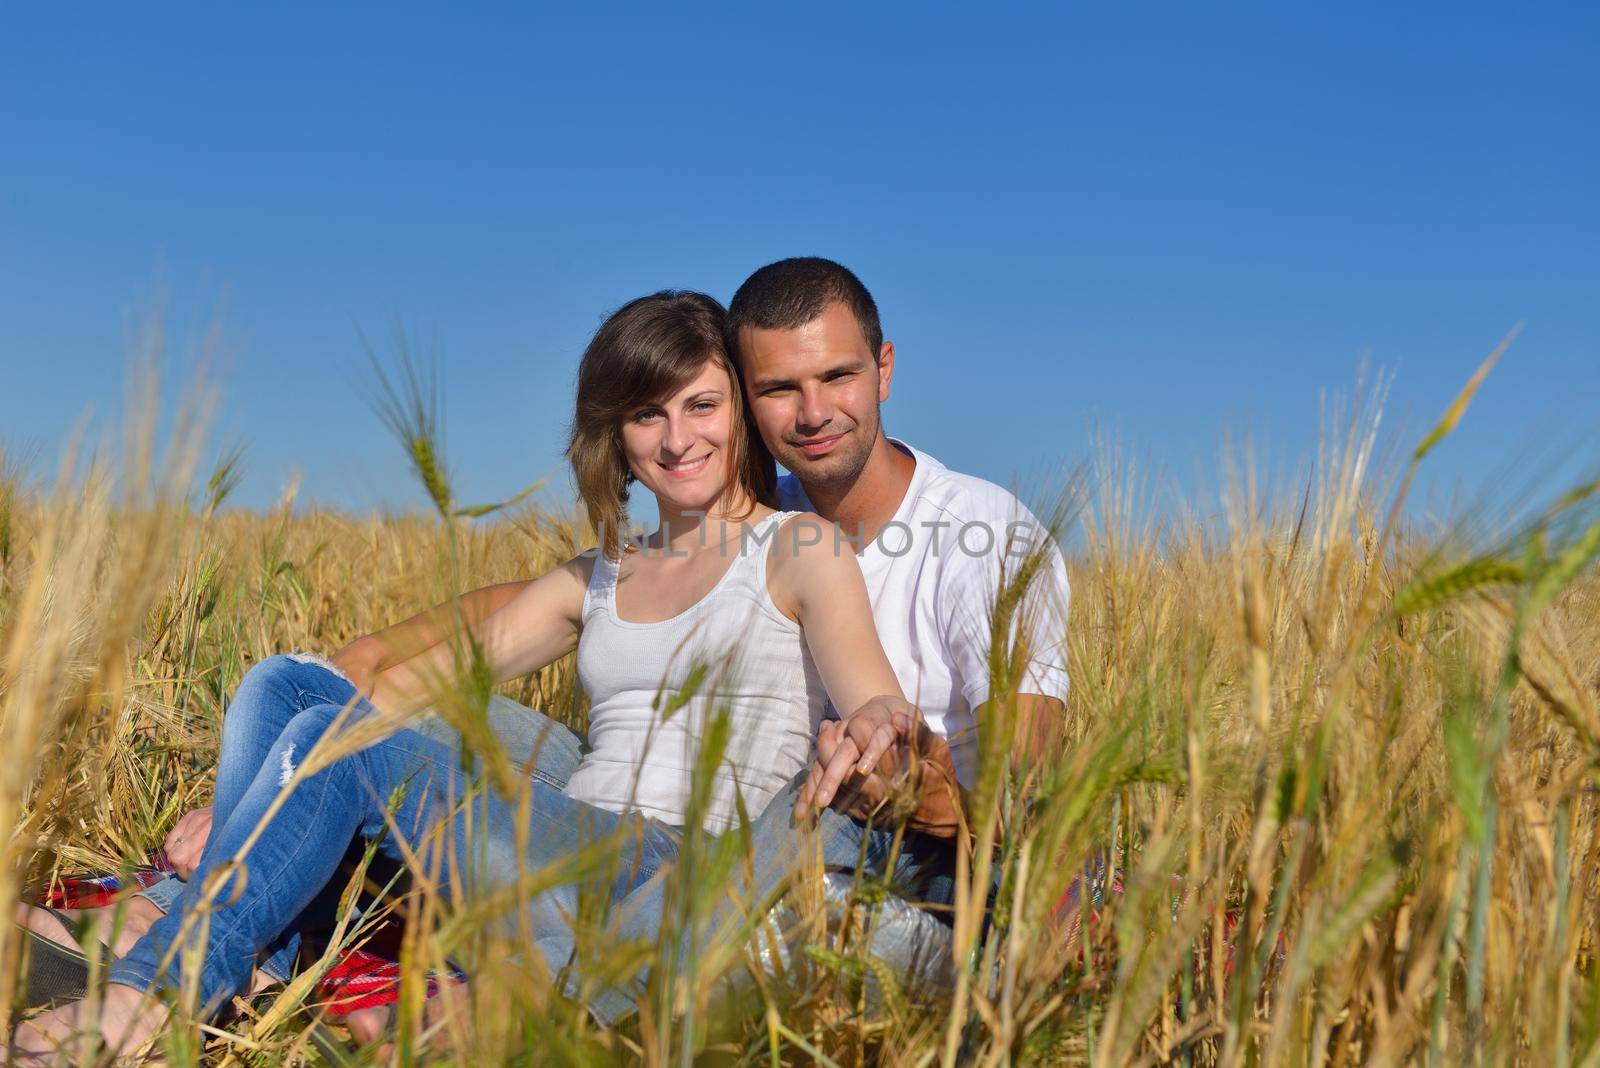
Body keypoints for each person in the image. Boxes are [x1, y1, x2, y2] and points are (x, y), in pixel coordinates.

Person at [10, 289, 921, 1059]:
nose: (676, 437)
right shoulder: (599, 576)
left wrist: (879, 728)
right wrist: (267, 788)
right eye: (648, 413)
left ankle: (154, 991)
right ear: (618, 432)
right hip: (554, 834)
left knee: (333, 741)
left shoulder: (796, 547)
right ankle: (249, 944)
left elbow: (874, 691)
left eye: (702, 405)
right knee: (290, 687)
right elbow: (417, 687)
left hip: (661, 863)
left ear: (740, 413)